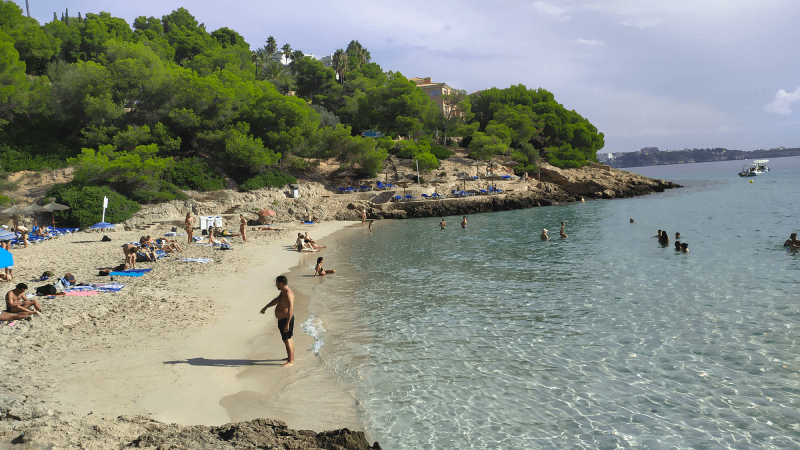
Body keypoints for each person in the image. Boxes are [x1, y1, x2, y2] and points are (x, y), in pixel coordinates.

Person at [260, 276, 295, 367]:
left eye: (276, 283)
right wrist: (266, 307)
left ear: (281, 283)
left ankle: (290, 362)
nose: (276, 285)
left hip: (286, 320)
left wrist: (287, 323)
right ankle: (290, 357)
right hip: (282, 320)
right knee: (287, 340)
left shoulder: (288, 293)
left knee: (288, 340)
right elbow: (276, 300)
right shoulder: (282, 292)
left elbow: (290, 309)